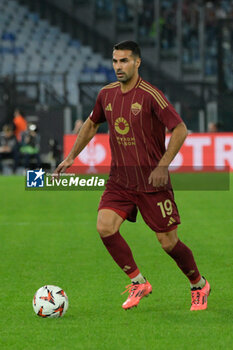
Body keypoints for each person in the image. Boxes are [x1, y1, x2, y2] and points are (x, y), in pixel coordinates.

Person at [54, 40, 210, 311]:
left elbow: (181, 129)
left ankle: (199, 285)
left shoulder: (151, 95)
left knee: (168, 242)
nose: (118, 66)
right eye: (115, 61)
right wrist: (71, 157)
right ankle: (138, 282)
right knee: (105, 226)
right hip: (121, 180)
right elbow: (92, 124)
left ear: (137, 62)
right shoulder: (106, 94)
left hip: (152, 181)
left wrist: (163, 166)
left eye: (124, 61)